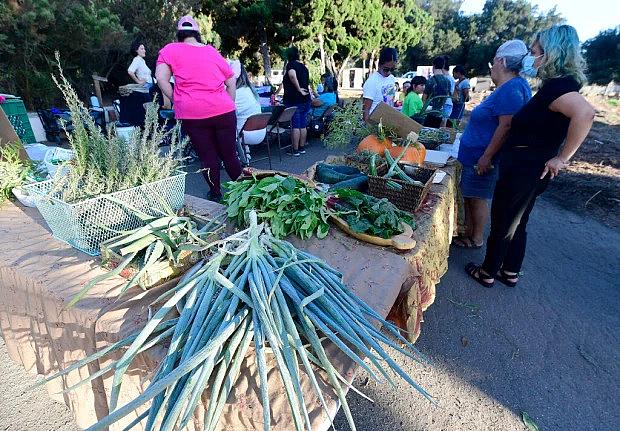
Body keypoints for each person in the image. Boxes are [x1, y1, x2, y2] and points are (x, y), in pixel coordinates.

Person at [465, 25, 595, 288]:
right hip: (528, 167)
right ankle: (510, 271)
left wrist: (563, 157)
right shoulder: (554, 87)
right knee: (518, 221)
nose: (531, 57)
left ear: (550, 54)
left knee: (503, 220)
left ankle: (488, 272)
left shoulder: (559, 89)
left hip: (525, 168)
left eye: (535, 52)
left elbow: (586, 114)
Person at [454, 40, 532, 249]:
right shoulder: (510, 87)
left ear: (502, 61)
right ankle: (470, 233)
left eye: (494, 64)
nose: (492, 69)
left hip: (482, 158)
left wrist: (487, 156)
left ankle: (475, 238)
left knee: (477, 197)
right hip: (475, 155)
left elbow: (506, 126)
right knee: (471, 196)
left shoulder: (512, 89)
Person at [155, 15, 241, 202]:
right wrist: (230, 103)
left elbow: (161, 78)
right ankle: (244, 193)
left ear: (179, 34)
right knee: (230, 156)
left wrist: (177, 99)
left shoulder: (170, 50)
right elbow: (231, 81)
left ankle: (216, 193)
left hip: (193, 114)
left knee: (208, 157)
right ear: (197, 33)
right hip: (223, 110)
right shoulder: (211, 51)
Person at [234, 61, 266, 165]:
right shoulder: (251, 90)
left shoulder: (235, 94)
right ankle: (244, 154)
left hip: (246, 135)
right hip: (261, 131)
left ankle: (233, 157)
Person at [282, 46, 311, 157]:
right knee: (302, 125)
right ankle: (302, 147)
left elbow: (292, 75)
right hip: (305, 100)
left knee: (295, 126)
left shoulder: (291, 65)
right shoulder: (304, 67)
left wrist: (298, 89)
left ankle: (295, 150)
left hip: (295, 100)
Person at [362, 47, 398, 122]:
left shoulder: (391, 78)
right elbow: (366, 110)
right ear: (379, 65)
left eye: (392, 69)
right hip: (374, 123)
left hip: (388, 122)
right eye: (386, 69)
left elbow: (390, 100)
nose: (389, 73)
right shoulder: (372, 82)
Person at [422, 56, 452, 128]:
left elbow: (424, 98)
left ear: (433, 65)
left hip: (430, 113)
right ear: (443, 66)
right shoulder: (448, 81)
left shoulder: (430, 81)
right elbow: (446, 97)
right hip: (441, 113)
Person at [442, 56, 455, 122]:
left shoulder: (446, 79)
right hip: (447, 104)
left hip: (445, 104)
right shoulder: (451, 78)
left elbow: (449, 93)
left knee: (442, 123)